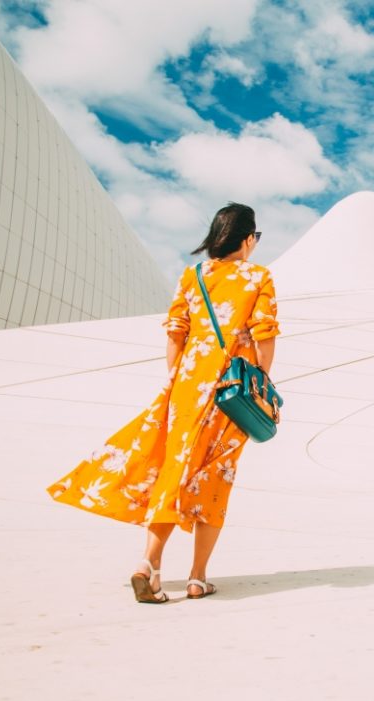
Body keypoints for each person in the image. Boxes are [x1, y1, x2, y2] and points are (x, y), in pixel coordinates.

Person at [47, 203, 280, 603]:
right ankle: (197, 577)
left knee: (175, 469)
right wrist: (260, 380)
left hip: (188, 385)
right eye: (254, 238)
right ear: (246, 238)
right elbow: (265, 334)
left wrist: (177, 380)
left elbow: (175, 333)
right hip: (231, 387)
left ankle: (149, 565)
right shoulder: (258, 276)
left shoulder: (192, 276)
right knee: (214, 478)